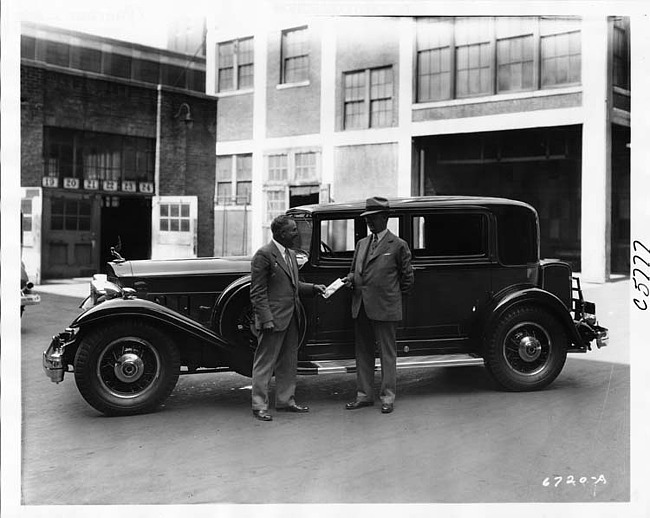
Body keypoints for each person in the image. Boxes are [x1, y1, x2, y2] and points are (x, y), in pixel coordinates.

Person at [250, 214, 326, 422]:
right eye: (293, 230)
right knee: (265, 363)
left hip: (291, 317)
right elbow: (257, 292)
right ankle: (259, 405)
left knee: (288, 362)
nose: (296, 233)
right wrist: (265, 319)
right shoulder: (264, 255)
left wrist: (312, 288)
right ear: (281, 233)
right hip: (272, 319)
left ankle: (286, 401)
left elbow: (293, 286)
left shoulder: (291, 254)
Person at [343, 196, 414, 414]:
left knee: (387, 354)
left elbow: (407, 279)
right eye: (367, 219)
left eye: (373, 218)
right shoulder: (362, 244)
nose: (369, 222)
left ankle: (387, 398)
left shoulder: (398, 245)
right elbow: (355, 271)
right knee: (363, 353)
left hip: (385, 308)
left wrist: (388, 297)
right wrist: (350, 279)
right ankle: (364, 396)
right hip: (361, 306)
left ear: (385, 218)